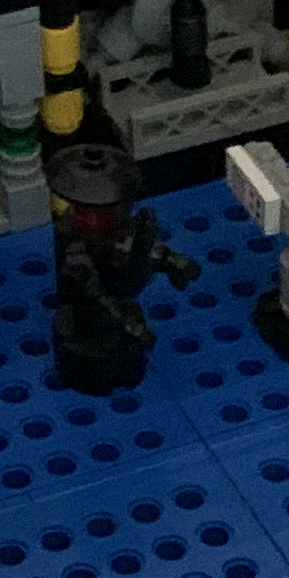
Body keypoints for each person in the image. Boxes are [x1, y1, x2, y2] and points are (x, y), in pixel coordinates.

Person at [45, 139, 196, 397]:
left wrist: (172, 261)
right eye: (85, 213)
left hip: (118, 292)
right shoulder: (76, 251)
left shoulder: (123, 233)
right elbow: (92, 295)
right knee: (93, 315)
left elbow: (140, 249)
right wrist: (127, 324)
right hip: (89, 320)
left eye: (107, 211)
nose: (94, 218)